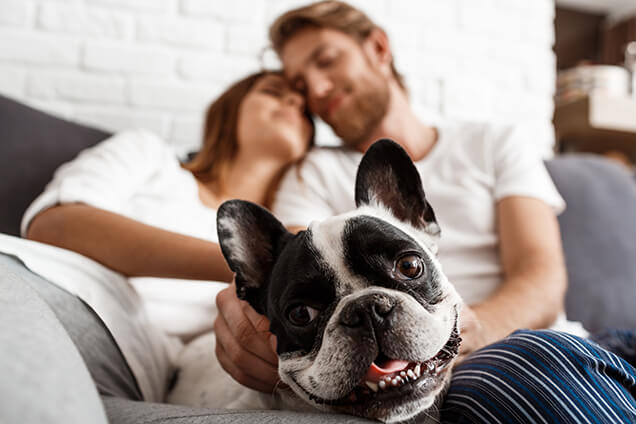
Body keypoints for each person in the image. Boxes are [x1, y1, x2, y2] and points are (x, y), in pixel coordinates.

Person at [213, 2, 636, 422]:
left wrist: (467, 332)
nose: (319, 89)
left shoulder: (494, 141)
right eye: (302, 85)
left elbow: (542, 278)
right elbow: (293, 270)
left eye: (326, 61)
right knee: (526, 370)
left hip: (552, 340)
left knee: (542, 354)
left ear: (378, 48)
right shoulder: (313, 172)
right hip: (502, 368)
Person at [0, 70, 314, 421]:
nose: (293, 103)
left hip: (143, 377)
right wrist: (250, 268)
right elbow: (52, 224)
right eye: (274, 92)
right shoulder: (152, 157)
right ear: (229, 109)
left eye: (305, 111)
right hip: (59, 294)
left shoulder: (293, 230)